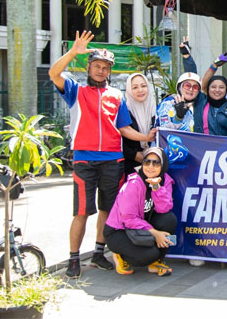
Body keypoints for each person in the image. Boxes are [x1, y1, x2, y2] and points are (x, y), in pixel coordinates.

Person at [48, 31, 157, 278]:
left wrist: (145, 138)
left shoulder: (117, 96)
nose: (100, 71)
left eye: (105, 67)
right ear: (89, 67)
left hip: (112, 160)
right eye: (96, 66)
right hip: (85, 160)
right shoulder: (76, 90)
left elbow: (124, 129)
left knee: (107, 210)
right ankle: (74, 258)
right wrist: (73, 52)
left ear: (110, 71)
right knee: (82, 212)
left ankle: (99, 253)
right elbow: (53, 73)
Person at [104, 146, 177, 277]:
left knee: (169, 220)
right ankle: (120, 255)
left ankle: (156, 262)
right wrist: (155, 234)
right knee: (147, 255)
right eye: (147, 162)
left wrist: (156, 187)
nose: (150, 166)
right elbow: (128, 219)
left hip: (142, 225)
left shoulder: (165, 180)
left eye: (156, 163)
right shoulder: (133, 183)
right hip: (119, 231)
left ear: (163, 165)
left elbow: (164, 209)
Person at [122, 73, 157, 176]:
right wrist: (133, 155)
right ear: (129, 90)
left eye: (143, 86)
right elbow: (117, 138)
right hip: (130, 167)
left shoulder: (157, 111)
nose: (140, 90)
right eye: (135, 87)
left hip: (154, 166)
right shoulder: (123, 112)